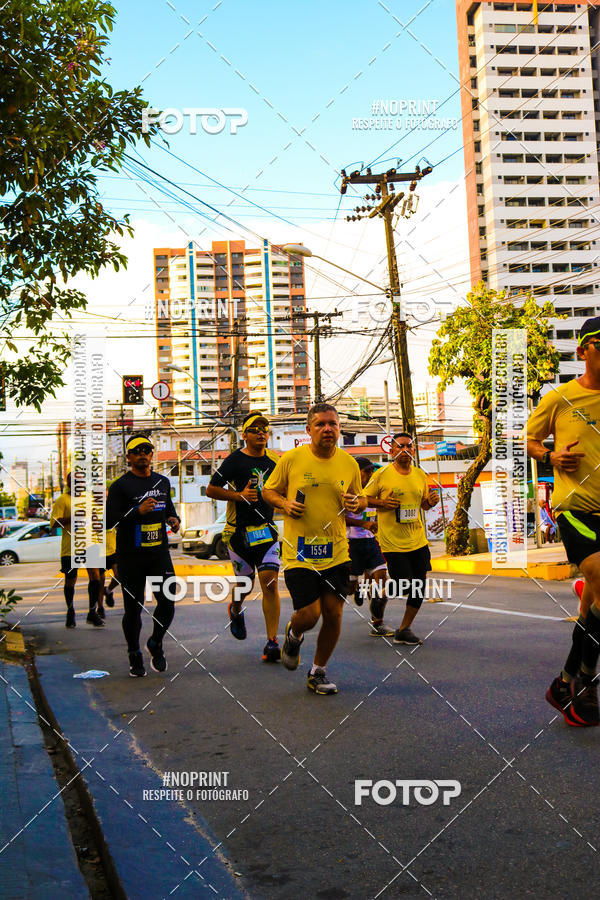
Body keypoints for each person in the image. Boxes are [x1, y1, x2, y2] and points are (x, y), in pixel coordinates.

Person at [262, 402, 365, 695]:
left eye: (332, 423)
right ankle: (294, 635)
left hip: (337, 551)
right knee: (310, 614)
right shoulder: (292, 459)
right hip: (300, 551)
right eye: (320, 424)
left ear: (339, 429)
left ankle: (317, 671)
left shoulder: (349, 463)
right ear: (308, 430)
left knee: (333, 613)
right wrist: (284, 503)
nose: (327, 429)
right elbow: (267, 490)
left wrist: (358, 503)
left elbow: (362, 499)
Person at [527, 316, 600, 726]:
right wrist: (550, 456)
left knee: (594, 608)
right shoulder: (561, 398)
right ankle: (586, 687)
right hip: (576, 509)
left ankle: (564, 682)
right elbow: (531, 440)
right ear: (583, 350)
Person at [206, 412, 282, 662]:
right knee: (245, 584)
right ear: (245, 434)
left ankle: (272, 642)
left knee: (269, 581)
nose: (261, 432)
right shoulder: (234, 460)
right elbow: (211, 489)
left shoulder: (275, 460)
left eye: (265, 428)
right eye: (255, 428)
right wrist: (239, 496)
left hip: (266, 530)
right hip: (238, 533)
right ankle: (236, 609)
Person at [106, 433, 180, 677]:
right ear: (128, 457)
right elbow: (109, 521)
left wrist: (173, 518)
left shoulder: (162, 482)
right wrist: (137, 511)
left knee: (168, 602)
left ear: (151, 454)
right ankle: (134, 653)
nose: (142, 454)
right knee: (133, 608)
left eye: (146, 450)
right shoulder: (119, 486)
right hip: (131, 556)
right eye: (136, 451)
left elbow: (168, 508)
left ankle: (155, 642)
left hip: (158, 553)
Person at [365, 432, 439, 645]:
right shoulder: (382, 474)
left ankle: (404, 629)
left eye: (409, 446)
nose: (405, 450)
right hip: (392, 540)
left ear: (414, 451)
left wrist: (430, 503)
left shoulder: (419, 475)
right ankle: (381, 595)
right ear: (392, 450)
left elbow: (422, 504)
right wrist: (382, 503)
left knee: (419, 585)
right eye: (400, 446)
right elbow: (364, 499)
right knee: (403, 583)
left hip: (417, 539)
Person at [50, 472, 104, 628]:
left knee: (95, 577)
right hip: (71, 547)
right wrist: (72, 518)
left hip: (90, 543)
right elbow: (54, 523)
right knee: (70, 580)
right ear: (68, 484)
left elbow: (94, 516)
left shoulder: (88, 498)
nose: (79, 485)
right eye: (75, 482)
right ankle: (70, 611)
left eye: (81, 482)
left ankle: (92, 612)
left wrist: (97, 526)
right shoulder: (62, 500)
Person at [345, 458, 388, 616]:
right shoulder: (349, 492)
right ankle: (358, 588)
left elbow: (378, 509)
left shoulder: (374, 491)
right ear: (357, 472)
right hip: (352, 543)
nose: (371, 474)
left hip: (371, 541)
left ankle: (377, 621)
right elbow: (339, 519)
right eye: (367, 471)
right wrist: (362, 524)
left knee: (382, 578)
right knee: (349, 586)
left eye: (372, 470)